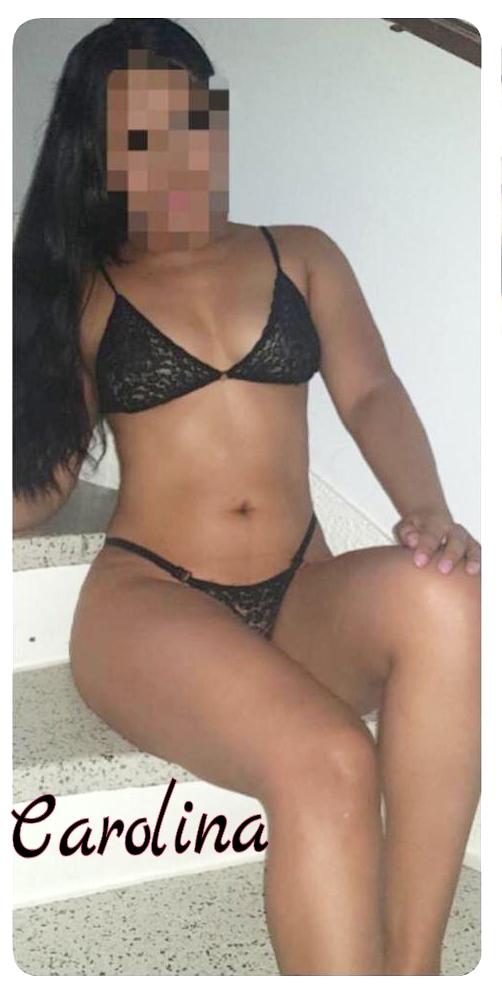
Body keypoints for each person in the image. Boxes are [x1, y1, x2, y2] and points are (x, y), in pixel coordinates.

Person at [13, 18, 481, 977]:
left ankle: (416, 966)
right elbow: (45, 480)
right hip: (153, 602)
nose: (178, 156)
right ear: (102, 162)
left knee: (452, 594)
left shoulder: (300, 252)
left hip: (301, 590)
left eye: (191, 120)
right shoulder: (86, 291)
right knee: (330, 760)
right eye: (141, 139)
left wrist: (427, 506)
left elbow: (372, 393)